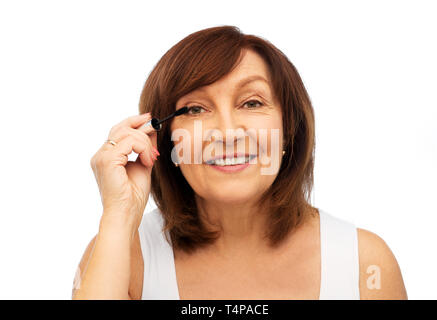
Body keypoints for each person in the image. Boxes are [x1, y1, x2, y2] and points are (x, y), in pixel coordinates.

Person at [72, 25, 407, 300]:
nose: (227, 132)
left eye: (251, 102)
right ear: (165, 139)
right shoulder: (123, 256)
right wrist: (119, 213)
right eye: (195, 109)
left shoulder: (365, 264)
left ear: (289, 129)